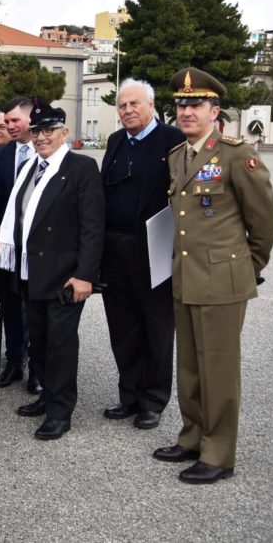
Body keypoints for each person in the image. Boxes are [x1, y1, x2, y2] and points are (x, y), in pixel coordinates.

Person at [153, 67, 273, 484]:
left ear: (215, 110)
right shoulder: (179, 156)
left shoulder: (234, 154)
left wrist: (248, 266)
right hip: (186, 276)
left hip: (222, 280)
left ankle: (219, 453)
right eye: (181, 104)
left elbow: (263, 220)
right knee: (189, 366)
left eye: (196, 104)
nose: (187, 111)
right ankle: (192, 435)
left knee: (218, 369)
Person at [0, 100, 104, 440]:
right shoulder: (31, 165)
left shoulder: (81, 168)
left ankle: (60, 411)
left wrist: (86, 274)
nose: (41, 137)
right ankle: (46, 396)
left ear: (64, 132)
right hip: (30, 271)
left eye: (49, 131)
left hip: (64, 274)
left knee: (60, 345)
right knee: (40, 342)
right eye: (37, 131)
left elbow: (92, 226)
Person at [99, 79, 185, 431]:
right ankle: (129, 395)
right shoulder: (116, 141)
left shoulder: (172, 140)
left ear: (151, 106)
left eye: (135, 104)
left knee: (156, 328)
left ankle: (152, 400)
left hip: (155, 248)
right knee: (123, 327)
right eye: (122, 106)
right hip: (115, 250)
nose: (128, 110)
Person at [0, 97, 39, 393]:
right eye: (7, 122)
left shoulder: (44, 152)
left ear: (31, 119)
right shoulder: (4, 155)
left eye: (15, 121)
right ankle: (14, 361)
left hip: (39, 245)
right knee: (12, 305)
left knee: (36, 308)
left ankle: (38, 368)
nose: (9, 126)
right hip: (6, 245)